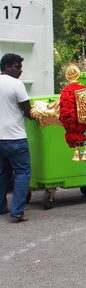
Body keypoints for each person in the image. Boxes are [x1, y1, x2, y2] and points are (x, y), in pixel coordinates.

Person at [0, 53, 32, 222]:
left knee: (3, 173)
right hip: (15, 137)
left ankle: (1, 206)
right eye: (17, 66)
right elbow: (28, 111)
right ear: (6, 67)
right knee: (22, 173)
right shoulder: (16, 84)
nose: (20, 70)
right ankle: (17, 211)